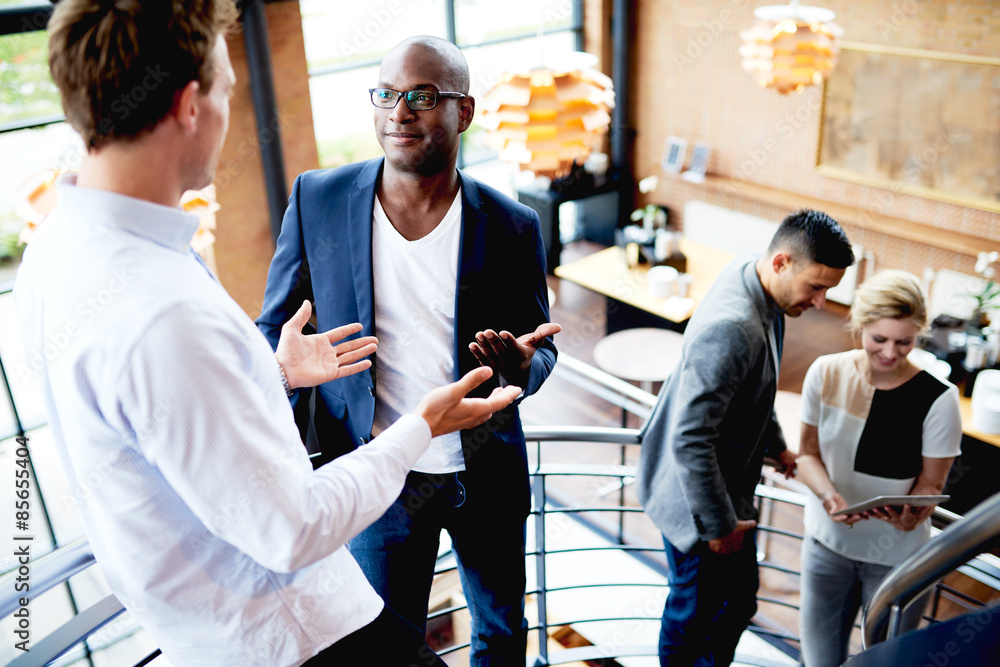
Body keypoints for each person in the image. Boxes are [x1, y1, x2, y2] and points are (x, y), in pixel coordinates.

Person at [15, 3, 523, 665]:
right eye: (227, 90)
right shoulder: (163, 308)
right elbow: (291, 530)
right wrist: (421, 425)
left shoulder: (55, 248)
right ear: (189, 105)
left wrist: (273, 373)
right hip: (299, 634)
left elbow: (180, 420)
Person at [256, 35, 560, 665]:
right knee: (386, 649)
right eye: (387, 94)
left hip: (484, 472)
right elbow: (273, 335)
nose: (399, 112)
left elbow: (540, 349)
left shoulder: (512, 224)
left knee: (502, 632)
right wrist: (284, 373)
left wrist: (523, 368)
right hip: (377, 478)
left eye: (422, 96)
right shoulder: (317, 200)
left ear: (463, 111)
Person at [636, 209, 855, 666]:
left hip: (726, 494)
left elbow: (754, 390)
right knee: (691, 617)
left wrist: (777, 447)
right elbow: (691, 438)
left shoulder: (754, 276)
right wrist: (718, 527)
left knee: (736, 602)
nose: (820, 303)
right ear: (781, 263)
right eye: (816, 287)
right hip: (700, 504)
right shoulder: (734, 327)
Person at [796, 269, 961, 667]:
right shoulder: (825, 372)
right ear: (860, 325)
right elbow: (806, 454)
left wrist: (912, 514)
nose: (890, 353)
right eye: (879, 339)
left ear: (919, 334)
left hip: (898, 557)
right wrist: (828, 496)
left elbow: (931, 482)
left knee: (887, 662)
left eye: (904, 342)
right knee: (819, 660)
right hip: (826, 543)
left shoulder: (940, 398)